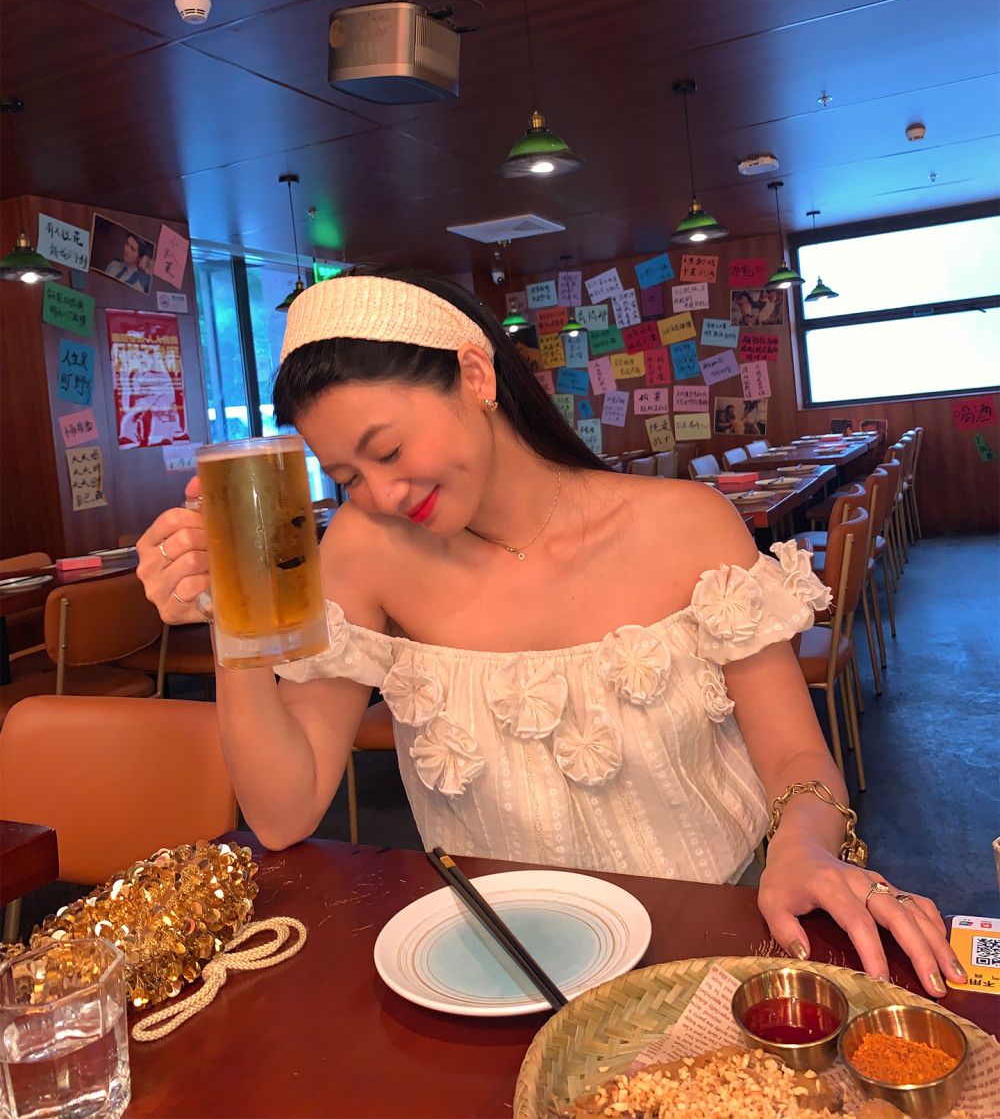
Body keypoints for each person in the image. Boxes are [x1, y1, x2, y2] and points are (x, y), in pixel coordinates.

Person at [137, 266, 963, 1000]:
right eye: (348, 476)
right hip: (498, 967)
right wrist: (232, 621)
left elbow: (796, 756)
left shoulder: (688, 525)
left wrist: (805, 846)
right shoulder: (367, 548)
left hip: (717, 927)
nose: (382, 494)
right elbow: (282, 813)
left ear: (474, 374)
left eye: (387, 449)